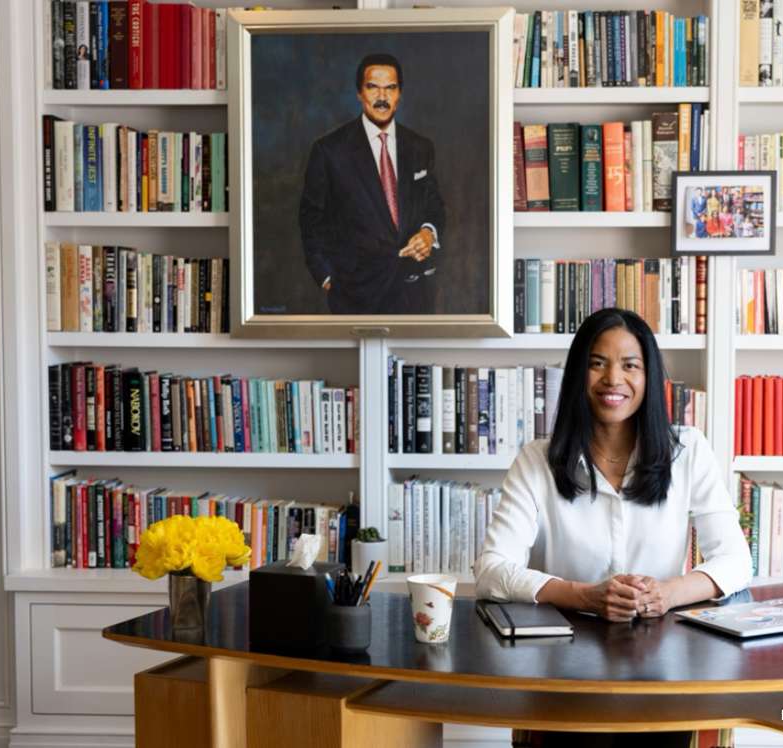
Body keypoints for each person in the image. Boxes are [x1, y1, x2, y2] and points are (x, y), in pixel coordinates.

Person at [474, 308, 753, 748]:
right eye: (597, 363)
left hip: (663, 673)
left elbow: (736, 561)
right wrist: (584, 595)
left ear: (649, 376)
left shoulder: (689, 451)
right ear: (577, 375)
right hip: (563, 673)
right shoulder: (537, 461)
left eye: (630, 365)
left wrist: (667, 593)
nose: (613, 379)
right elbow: (491, 570)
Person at [299, 53, 445, 315]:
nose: (382, 96)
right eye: (373, 87)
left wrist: (428, 233)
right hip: (355, 296)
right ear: (359, 93)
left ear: (400, 94)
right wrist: (327, 278)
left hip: (415, 295)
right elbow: (311, 222)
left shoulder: (420, 147)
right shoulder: (329, 151)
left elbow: (433, 206)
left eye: (390, 88)